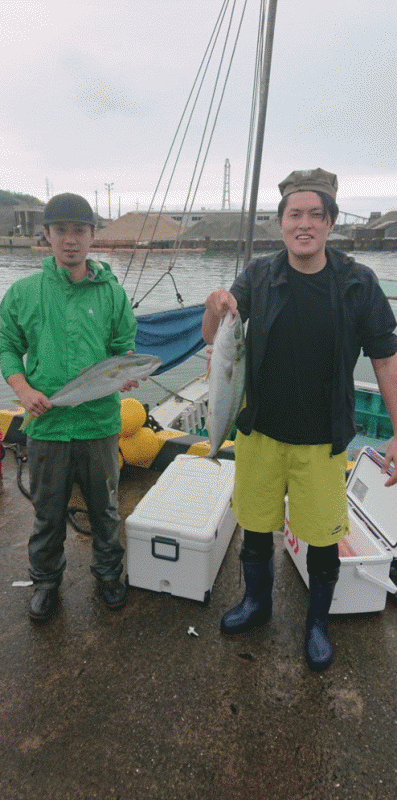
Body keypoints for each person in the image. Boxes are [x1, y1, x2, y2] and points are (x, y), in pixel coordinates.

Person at [202, 168, 397, 671]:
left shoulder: (358, 282)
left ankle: (317, 623)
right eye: (295, 214)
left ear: (331, 222)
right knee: (255, 526)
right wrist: (215, 307)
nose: (304, 224)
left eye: (315, 214)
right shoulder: (258, 275)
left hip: (321, 440)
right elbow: (214, 339)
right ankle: (256, 602)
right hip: (261, 432)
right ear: (282, 222)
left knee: (324, 537)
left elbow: (385, 359)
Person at [0, 193, 139, 622]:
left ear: (93, 235)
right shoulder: (24, 292)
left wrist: (125, 374)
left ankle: (109, 574)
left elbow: (123, 348)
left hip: (99, 424)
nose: (70, 239)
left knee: (106, 510)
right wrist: (23, 389)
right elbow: (8, 347)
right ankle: (45, 582)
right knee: (47, 514)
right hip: (46, 425)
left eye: (79, 230)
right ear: (47, 234)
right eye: (61, 230)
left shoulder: (113, 294)